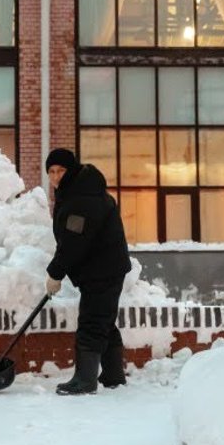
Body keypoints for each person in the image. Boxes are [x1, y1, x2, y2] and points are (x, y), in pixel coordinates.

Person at [43, 147, 132, 395]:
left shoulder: (82, 199)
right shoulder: (79, 191)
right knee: (103, 320)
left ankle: (85, 380)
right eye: (51, 171)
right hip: (104, 268)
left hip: (102, 270)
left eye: (61, 170)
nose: (56, 176)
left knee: (92, 322)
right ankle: (114, 375)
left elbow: (73, 242)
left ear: (71, 170)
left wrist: (55, 273)